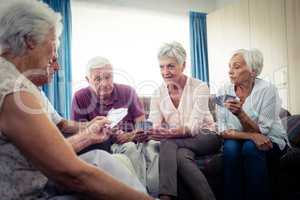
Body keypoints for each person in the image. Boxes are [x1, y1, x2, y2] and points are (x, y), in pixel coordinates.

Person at [0, 1, 152, 200]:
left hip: (43, 178)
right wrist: (89, 134)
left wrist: (126, 133)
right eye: (53, 45)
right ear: (30, 41)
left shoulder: (21, 82)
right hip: (29, 192)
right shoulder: (13, 89)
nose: (56, 60)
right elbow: (73, 173)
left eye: (108, 76)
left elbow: (61, 125)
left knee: (104, 159)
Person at [147, 41, 221, 200]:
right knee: (180, 157)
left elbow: (194, 127)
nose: (165, 72)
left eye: (171, 66)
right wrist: (151, 131)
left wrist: (166, 133)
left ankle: (166, 196)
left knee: (168, 142)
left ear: (183, 65)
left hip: (206, 136)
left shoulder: (200, 87)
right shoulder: (158, 93)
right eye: (162, 66)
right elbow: (154, 123)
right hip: (181, 142)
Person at [217, 48, 288, 200]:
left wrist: (241, 114)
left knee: (251, 147)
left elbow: (263, 132)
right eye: (229, 67)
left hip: (271, 139)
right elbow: (222, 130)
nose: (230, 71)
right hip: (238, 139)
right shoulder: (223, 90)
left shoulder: (268, 90)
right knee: (230, 147)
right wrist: (250, 136)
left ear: (253, 71)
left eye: (236, 67)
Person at [71, 56, 148, 187]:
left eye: (108, 77)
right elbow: (79, 133)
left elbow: (143, 125)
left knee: (129, 148)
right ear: (88, 80)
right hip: (99, 145)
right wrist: (102, 133)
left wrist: (130, 136)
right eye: (98, 79)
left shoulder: (128, 92)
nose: (105, 83)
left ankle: (140, 191)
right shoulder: (79, 97)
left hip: (129, 142)